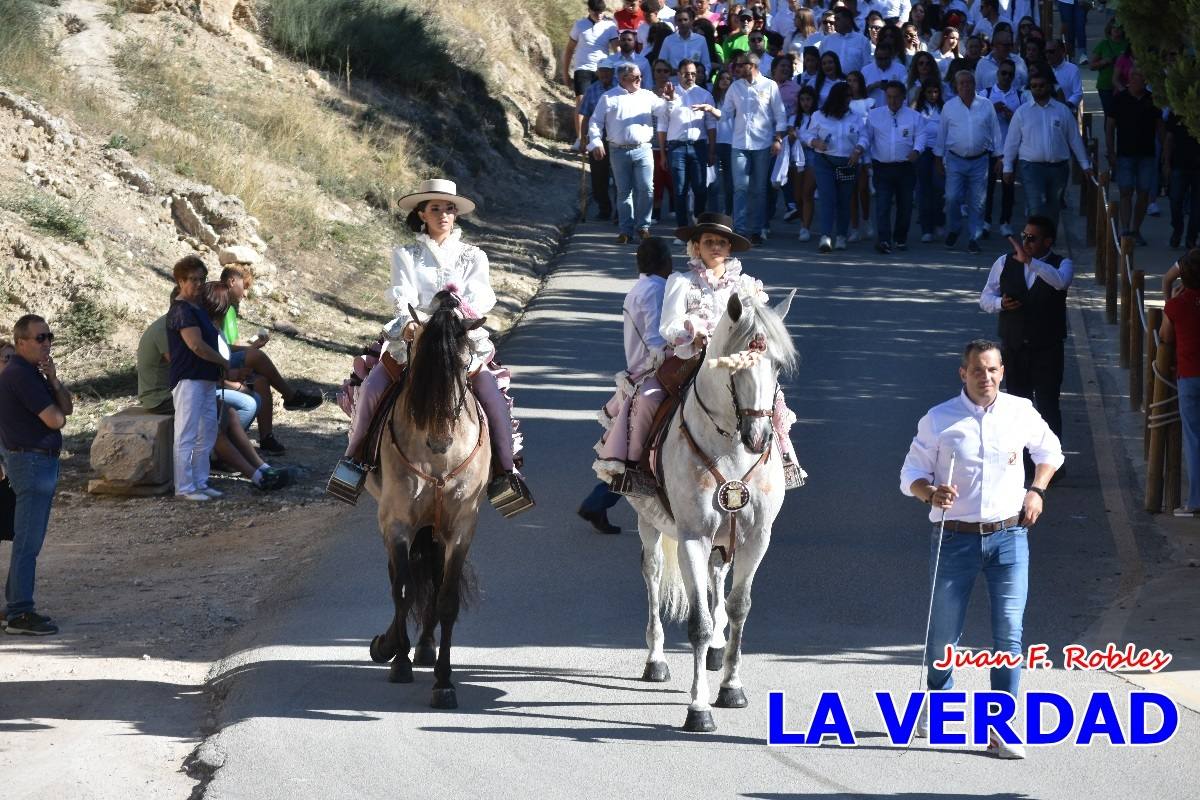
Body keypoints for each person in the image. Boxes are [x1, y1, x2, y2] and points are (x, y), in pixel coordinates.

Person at [900, 338, 1062, 760]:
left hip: (1010, 538)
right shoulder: (939, 420)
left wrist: (1036, 491)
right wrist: (930, 492)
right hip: (955, 539)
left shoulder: (1019, 412)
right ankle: (938, 711)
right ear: (963, 373)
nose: (985, 377)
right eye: (977, 370)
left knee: (1009, 634)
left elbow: (1050, 452)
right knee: (943, 638)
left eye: (992, 370)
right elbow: (910, 474)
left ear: (1002, 371)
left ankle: (1001, 728)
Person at [330, 179, 530, 509]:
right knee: (373, 386)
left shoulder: (474, 255)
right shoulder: (405, 255)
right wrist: (413, 321)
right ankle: (354, 461)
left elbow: (481, 297)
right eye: (435, 208)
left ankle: (505, 472)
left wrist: (460, 314)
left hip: (459, 338)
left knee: (492, 394)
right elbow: (402, 294)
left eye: (449, 208)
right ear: (421, 214)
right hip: (415, 335)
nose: (444, 215)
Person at [659, 212, 804, 485]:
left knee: (774, 401)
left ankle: (785, 461)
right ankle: (635, 468)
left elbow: (760, 325)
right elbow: (668, 325)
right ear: (696, 246)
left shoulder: (747, 285)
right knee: (646, 398)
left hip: (737, 361)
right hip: (690, 358)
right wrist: (692, 334)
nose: (716, 247)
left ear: (729, 248)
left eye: (722, 242)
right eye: (709, 241)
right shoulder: (681, 282)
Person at [138, 299, 292, 492]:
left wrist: (224, 372)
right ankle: (255, 476)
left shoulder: (182, 325)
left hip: (183, 389)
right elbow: (184, 368)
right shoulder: (166, 330)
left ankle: (263, 468)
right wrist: (225, 375)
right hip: (162, 396)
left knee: (229, 414)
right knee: (213, 426)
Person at [0, 315, 72, 635]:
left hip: (36, 461)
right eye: (40, 338)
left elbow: (66, 409)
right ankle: (19, 612)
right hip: (31, 463)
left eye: (49, 336)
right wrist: (54, 405)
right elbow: (56, 420)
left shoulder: (33, 373)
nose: (46, 343)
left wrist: (54, 380)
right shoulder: (21, 374)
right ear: (21, 343)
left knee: (28, 538)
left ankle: (15, 606)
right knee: (28, 540)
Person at [592, 236, 674, 500]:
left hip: (637, 368)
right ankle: (601, 500)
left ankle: (599, 501)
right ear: (666, 263)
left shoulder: (640, 287)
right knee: (635, 444)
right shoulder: (656, 289)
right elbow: (655, 337)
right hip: (650, 370)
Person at [979, 215, 1072, 445]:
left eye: (1032, 238)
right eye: (1024, 236)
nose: (1026, 242)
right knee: (1017, 406)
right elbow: (985, 297)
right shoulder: (1004, 262)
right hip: (1014, 348)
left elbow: (1060, 282)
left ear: (1048, 242)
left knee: (1048, 406)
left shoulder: (1063, 264)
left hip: (1047, 350)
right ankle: (1020, 464)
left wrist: (1031, 262)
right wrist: (1001, 304)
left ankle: (1051, 465)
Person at [219, 265, 322, 452]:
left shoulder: (230, 310)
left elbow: (232, 343)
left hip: (226, 359)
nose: (245, 294)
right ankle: (290, 396)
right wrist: (251, 350)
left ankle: (267, 438)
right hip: (218, 366)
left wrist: (251, 346)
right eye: (245, 287)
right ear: (232, 282)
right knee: (256, 357)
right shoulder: (220, 306)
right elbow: (222, 347)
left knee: (262, 381)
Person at [167, 255, 230, 502]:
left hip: (204, 379)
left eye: (201, 280)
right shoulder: (181, 310)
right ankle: (184, 487)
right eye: (192, 280)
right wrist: (223, 362)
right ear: (180, 281)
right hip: (188, 379)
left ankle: (200, 481)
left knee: (207, 432)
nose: (197, 284)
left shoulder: (197, 308)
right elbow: (196, 345)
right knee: (187, 433)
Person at [589, 63, 670, 244]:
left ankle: (643, 227)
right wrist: (595, 142)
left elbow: (663, 111)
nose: (640, 80)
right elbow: (595, 122)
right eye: (636, 77)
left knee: (646, 189)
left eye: (640, 76)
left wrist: (669, 101)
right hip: (618, 150)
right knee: (624, 191)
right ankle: (626, 230)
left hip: (643, 148)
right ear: (623, 79)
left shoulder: (647, 96)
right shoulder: (609, 97)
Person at [1002, 71, 1091, 221]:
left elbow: (1074, 139)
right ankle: (1034, 242)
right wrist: (1007, 167)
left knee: (1053, 208)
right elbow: (1012, 142)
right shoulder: (1021, 113)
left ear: (1049, 87)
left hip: (1059, 167)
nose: (1038, 89)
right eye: (1034, 86)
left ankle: (1049, 240)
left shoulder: (1063, 110)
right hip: (1031, 167)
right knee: (1036, 207)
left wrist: (1085, 165)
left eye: (1042, 85)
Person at [721, 52, 790, 245]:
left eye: (740, 65)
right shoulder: (735, 87)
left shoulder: (770, 85)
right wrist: (711, 111)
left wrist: (778, 139)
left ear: (751, 66)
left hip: (762, 144)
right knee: (740, 188)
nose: (737, 69)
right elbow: (725, 113)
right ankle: (741, 230)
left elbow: (780, 115)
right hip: (740, 144)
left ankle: (757, 229)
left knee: (759, 189)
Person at [935, 69, 1002, 254]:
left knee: (978, 201)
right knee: (952, 197)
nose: (965, 86)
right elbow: (942, 134)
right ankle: (955, 228)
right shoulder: (949, 107)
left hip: (980, 160)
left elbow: (995, 131)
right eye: (961, 83)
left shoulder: (986, 105)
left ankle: (974, 237)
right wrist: (938, 158)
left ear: (974, 84)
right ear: (956, 87)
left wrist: (999, 156)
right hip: (955, 159)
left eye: (968, 82)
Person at [657, 58, 720, 236]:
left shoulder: (704, 94)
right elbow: (662, 126)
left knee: (700, 188)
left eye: (693, 73)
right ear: (678, 75)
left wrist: (711, 150)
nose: (690, 77)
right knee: (679, 190)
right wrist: (662, 154)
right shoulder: (669, 93)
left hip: (699, 146)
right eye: (686, 74)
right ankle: (683, 229)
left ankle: (698, 221)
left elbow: (711, 125)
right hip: (676, 148)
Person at [1160, 250, 1200, 515]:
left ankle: (1196, 501)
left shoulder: (1176, 306)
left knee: (1194, 440)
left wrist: (1170, 299)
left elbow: (1165, 337)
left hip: (1190, 376)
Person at [866, 81, 926, 253]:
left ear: (903, 97)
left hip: (905, 167)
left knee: (905, 205)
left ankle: (900, 238)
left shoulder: (914, 116)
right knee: (883, 204)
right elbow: (866, 137)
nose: (892, 101)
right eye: (889, 97)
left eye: (896, 97)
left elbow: (921, 135)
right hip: (882, 167)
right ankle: (884, 239)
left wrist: (917, 150)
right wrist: (861, 151)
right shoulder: (874, 115)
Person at [807, 81, 868, 252]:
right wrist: (814, 142)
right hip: (825, 162)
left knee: (845, 199)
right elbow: (807, 134)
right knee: (828, 198)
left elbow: (864, 136)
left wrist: (859, 148)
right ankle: (825, 236)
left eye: (850, 96)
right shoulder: (819, 115)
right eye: (846, 96)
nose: (849, 100)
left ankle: (841, 235)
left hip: (848, 163)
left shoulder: (856, 116)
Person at [1106, 68, 1162, 247]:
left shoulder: (1152, 100)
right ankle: (1125, 229)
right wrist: (1111, 151)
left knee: (1144, 193)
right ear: (1131, 79)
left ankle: (1136, 229)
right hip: (1125, 154)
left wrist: (1163, 155)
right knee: (1125, 191)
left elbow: (1160, 126)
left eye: (1143, 78)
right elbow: (1110, 126)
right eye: (1137, 77)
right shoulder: (1120, 99)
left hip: (1147, 154)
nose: (1141, 81)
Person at [564, 0, 620, 146]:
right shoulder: (579, 25)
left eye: (602, 12)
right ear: (589, 10)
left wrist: (618, 68)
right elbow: (569, 49)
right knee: (581, 102)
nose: (600, 15)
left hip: (603, 70)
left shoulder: (610, 26)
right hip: (583, 68)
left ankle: (600, 138)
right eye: (596, 12)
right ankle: (580, 139)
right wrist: (565, 73)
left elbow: (617, 50)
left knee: (602, 103)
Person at [982, 59, 1021, 238]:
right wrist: (992, 109)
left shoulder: (1020, 96)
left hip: (1009, 149)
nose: (1006, 77)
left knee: (1008, 187)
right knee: (987, 187)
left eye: (1010, 74)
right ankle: (986, 221)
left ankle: (1005, 221)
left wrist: (1011, 115)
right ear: (997, 74)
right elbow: (977, 120)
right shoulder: (986, 94)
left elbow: (1023, 123)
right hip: (989, 148)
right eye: (1003, 73)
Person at [579, 56, 620, 221]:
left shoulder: (620, 87)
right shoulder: (592, 89)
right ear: (597, 72)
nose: (604, 75)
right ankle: (604, 208)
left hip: (617, 137)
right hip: (598, 138)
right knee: (598, 177)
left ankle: (620, 212)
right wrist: (583, 139)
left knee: (619, 177)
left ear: (613, 72)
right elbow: (586, 115)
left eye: (607, 72)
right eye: (601, 71)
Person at [913, 76, 945, 242]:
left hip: (940, 152)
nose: (933, 94)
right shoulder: (918, 109)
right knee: (924, 190)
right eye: (929, 92)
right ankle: (926, 228)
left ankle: (939, 220)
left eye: (935, 91)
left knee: (939, 188)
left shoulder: (944, 108)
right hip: (923, 151)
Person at [1165, 112, 1200, 250]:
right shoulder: (1178, 112)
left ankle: (1191, 237)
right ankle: (1177, 229)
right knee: (1175, 201)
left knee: (1197, 208)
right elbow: (1169, 138)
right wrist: (1166, 163)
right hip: (1179, 164)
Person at [1089, 18, 1128, 118]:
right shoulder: (1104, 44)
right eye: (1114, 27)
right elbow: (1091, 66)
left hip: (1124, 85)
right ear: (1109, 29)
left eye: (1119, 27)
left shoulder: (1128, 44)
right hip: (1105, 86)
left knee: (1124, 115)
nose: (1116, 29)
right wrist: (1104, 61)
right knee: (1109, 115)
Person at [659, 7, 713, 72]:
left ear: (691, 21)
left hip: (695, 80)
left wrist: (702, 77)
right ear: (675, 22)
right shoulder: (668, 40)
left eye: (685, 20)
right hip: (674, 80)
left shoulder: (701, 40)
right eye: (679, 20)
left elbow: (706, 64)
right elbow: (661, 64)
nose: (683, 23)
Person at [820, 7, 871, 75]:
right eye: (835, 19)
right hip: (831, 83)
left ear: (848, 20)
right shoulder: (826, 41)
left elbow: (866, 66)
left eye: (838, 19)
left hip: (854, 83)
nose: (835, 22)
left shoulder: (862, 41)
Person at [1045, 38, 1082, 110]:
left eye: (1051, 51)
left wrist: (1065, 107)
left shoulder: (1072, 69)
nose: (1048, 55)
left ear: (1062, 51)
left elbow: (1078, 93)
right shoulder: (1043, 69)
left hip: (1066, 112)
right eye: (1046, 52)